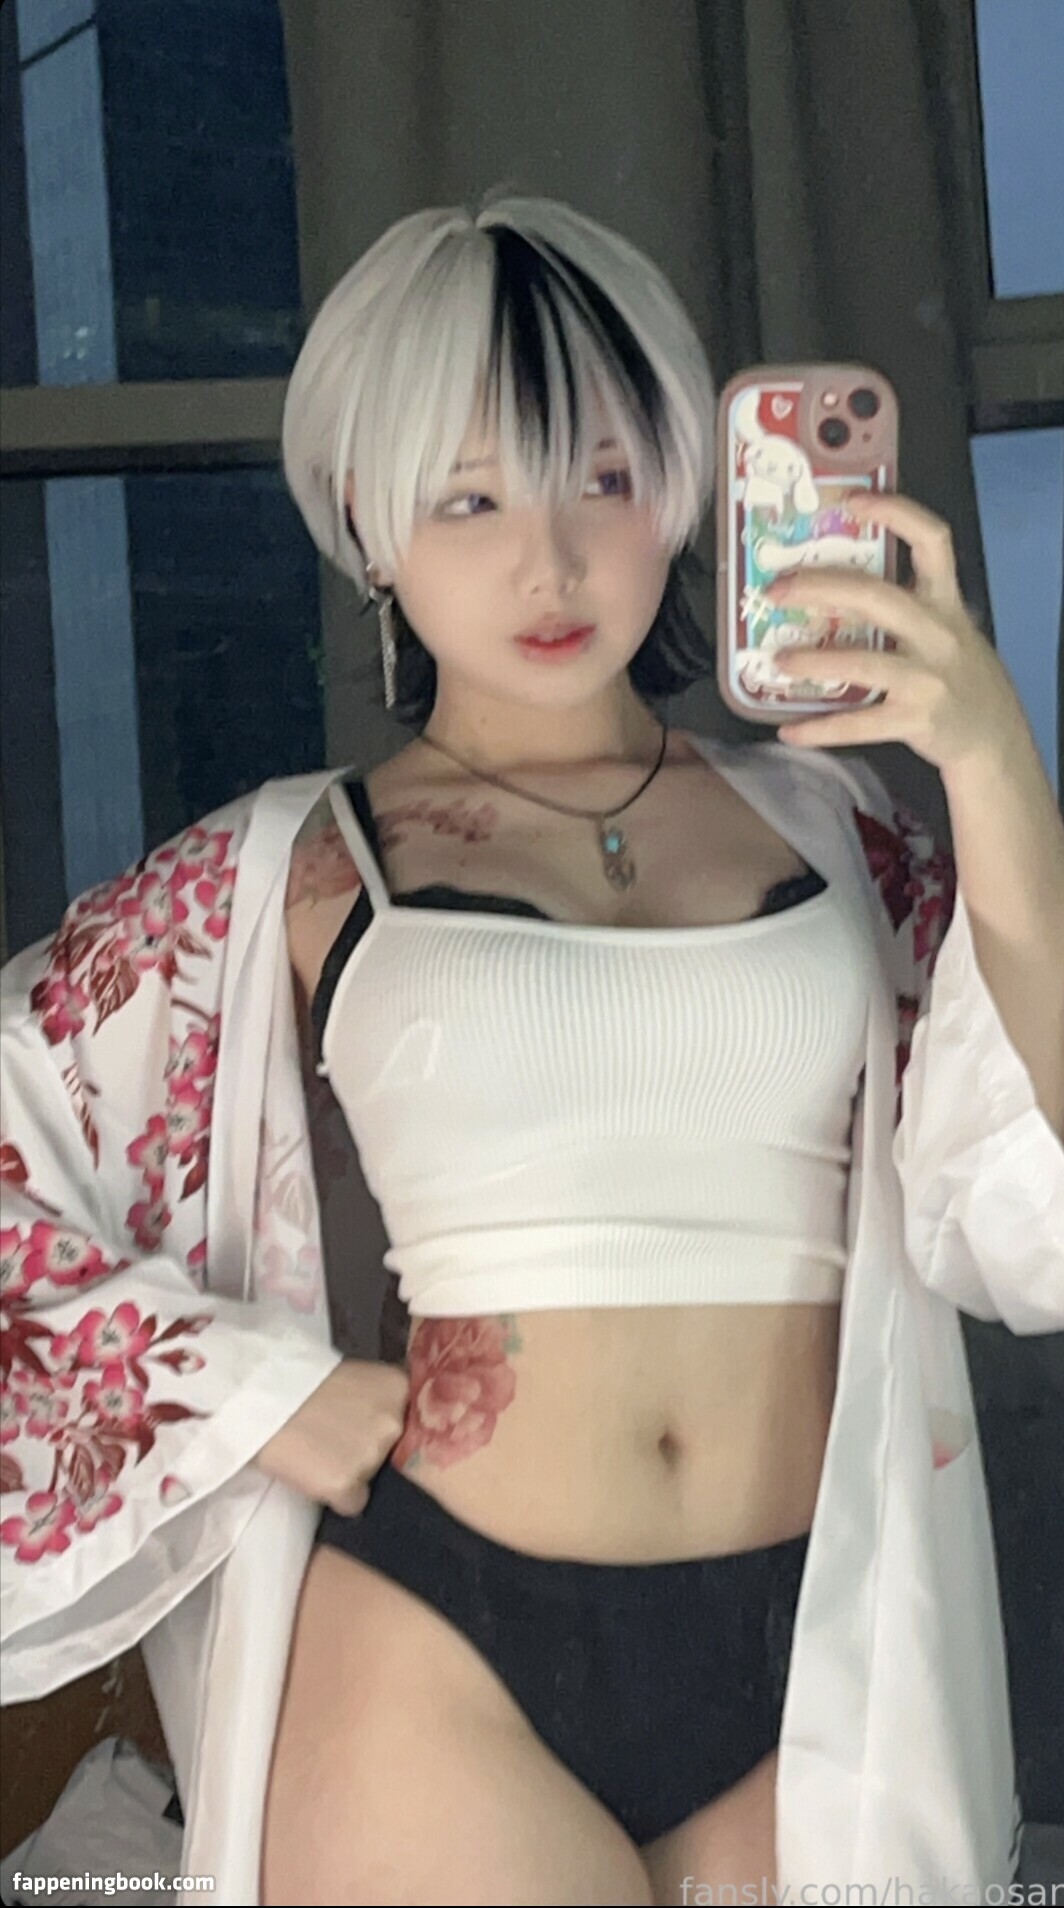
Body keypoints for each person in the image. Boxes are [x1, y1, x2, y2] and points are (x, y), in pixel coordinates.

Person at [2, 190, 1061, 1908]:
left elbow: (1037, 1195)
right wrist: (246, 1394)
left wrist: (997, 765)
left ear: (688, 491)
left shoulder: (846, 833)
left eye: (606, 482)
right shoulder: (293, 866)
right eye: (469, 498)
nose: (550, 562)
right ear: (370, 523)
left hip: (821, 1641)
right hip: (440, 1641)